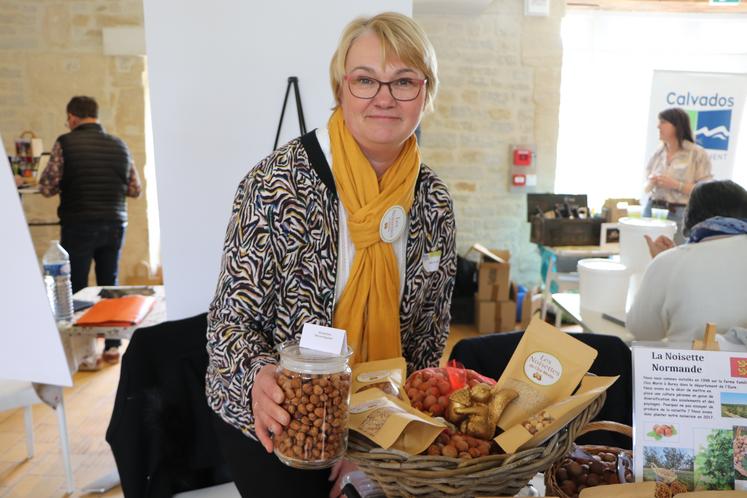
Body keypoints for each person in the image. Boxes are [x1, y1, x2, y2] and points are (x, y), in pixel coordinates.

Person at [206, 12, 456, 498]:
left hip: (384, 420)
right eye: (366, 80)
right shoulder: (277, 185)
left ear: (426, 93)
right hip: (284, 419)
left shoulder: (434, 201)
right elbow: (230, 323)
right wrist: (258, 378)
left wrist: (388, 441)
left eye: (404, 81)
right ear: (341, 88)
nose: (384, 97)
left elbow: (428, 337)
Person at [39, 96, 142, 365]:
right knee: (110, 282)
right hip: (114, 222)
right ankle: (112, 347)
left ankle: (85, 354)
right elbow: (135, 189)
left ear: (72, 117)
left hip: (79, 223)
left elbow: (47, 186)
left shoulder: (65, 143)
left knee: (79, 286)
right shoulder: (119, 145)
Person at [627, 180, 747, 344]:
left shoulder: (669, 262)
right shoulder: (670, 261)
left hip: (691, 367)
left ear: (689, 215)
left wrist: (665, 266)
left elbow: (644, 332)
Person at [643, 107, 713, 244]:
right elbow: (647, 177)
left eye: (663, 122)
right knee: (646, 251)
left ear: (677, 125)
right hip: (652, 209)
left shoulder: (697, 153)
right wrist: (652, 181)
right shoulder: (659, 151)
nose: (658, 126)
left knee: (676, 254)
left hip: (679, 214)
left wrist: (675, 185)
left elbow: (704, 191)